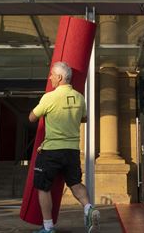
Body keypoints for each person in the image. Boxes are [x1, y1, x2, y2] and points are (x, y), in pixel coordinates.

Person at [29, 61, 100, 233]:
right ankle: (88, 208)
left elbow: (31, 117)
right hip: (72, 151)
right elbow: (84, 118)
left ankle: (48, 227)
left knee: (43, 187)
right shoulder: (79, 97)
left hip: (52, 150)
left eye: (52, 74)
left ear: (59, 77)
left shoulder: (49, 97)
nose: (50, 77)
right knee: (75, 183)